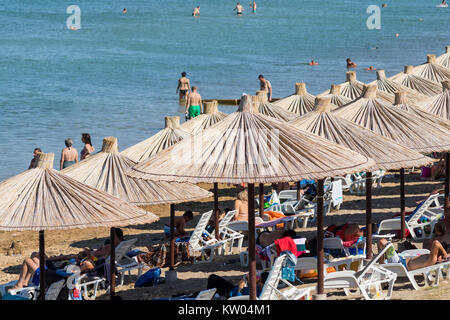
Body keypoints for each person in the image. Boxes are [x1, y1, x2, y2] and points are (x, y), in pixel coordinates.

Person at [10, 228, 124, 291]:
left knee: (29, 260)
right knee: (36, 255)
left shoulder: (76, 271)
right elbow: (88, 263)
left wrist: (87, 256)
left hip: (52, 276)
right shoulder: (84, 266)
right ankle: (24, 282)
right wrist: (85, 257)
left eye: (112, 235)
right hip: (57, 273)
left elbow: (86, 265)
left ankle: (21, 284)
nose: (110, 238)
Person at [377, 238, 448, 271]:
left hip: (399, 264)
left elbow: (436, 243)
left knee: (382, 241)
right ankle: (382, 262)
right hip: (400, 259)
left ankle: (381, 264)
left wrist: (445, 254)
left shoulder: (432, 259)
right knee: (383, 245)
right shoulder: (431, 257)